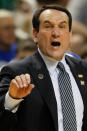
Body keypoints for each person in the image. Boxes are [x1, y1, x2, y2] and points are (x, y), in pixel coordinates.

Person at [0, 5, 87, 131]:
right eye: (48, 26)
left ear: (69, 35)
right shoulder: (16, 72)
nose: (56, 33)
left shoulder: (83, 69)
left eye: (62, 26)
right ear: (35, 34)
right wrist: (12, 99)